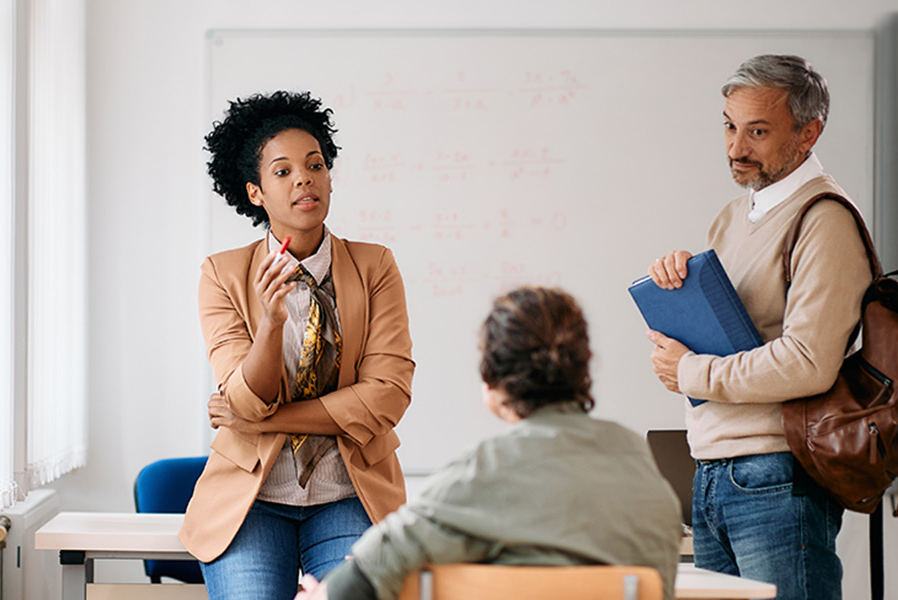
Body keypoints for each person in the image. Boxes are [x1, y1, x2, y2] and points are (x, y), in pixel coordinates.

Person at [636, 54, 870, 600]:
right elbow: (733, 330)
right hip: (712, 470)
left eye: (758, 132)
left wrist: (690, 372)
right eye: (730, 126)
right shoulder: (732, 217)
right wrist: (681, 283)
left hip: (776, 474)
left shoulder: (824, 220)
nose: (737, 148)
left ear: (809, 133)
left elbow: (809, 362)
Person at [189, 90, 419, 600]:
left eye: (315, 165)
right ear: (255, 192)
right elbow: (247, 397)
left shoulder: (374, 265)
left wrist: (260, 418)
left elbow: (386, 397)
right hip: (252, 501)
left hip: (348, 493)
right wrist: (269, 326)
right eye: (283, 171)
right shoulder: (223, 274)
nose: (304, 179)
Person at [319, 286, 684, 600]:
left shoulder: (483, 471)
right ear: (583, 371)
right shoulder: (638, 463)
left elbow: (371, 569)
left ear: (492, 382)